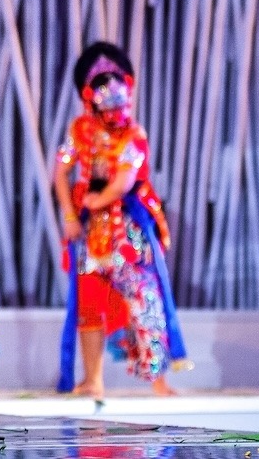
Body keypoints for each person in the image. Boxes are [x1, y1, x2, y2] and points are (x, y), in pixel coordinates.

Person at [52, 42, 189, 400]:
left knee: (144, 299)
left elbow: (126, 179)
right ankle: (93, 379)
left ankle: (159, 380)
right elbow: (61, 171)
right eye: (107, 103)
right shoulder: (79, 129)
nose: (115, 111)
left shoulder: (134, 133)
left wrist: (101, 197)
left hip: (126, 230)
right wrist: (70, 213)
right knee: (88, 307)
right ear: (90, 98)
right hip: (88, 232)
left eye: (121, 103)